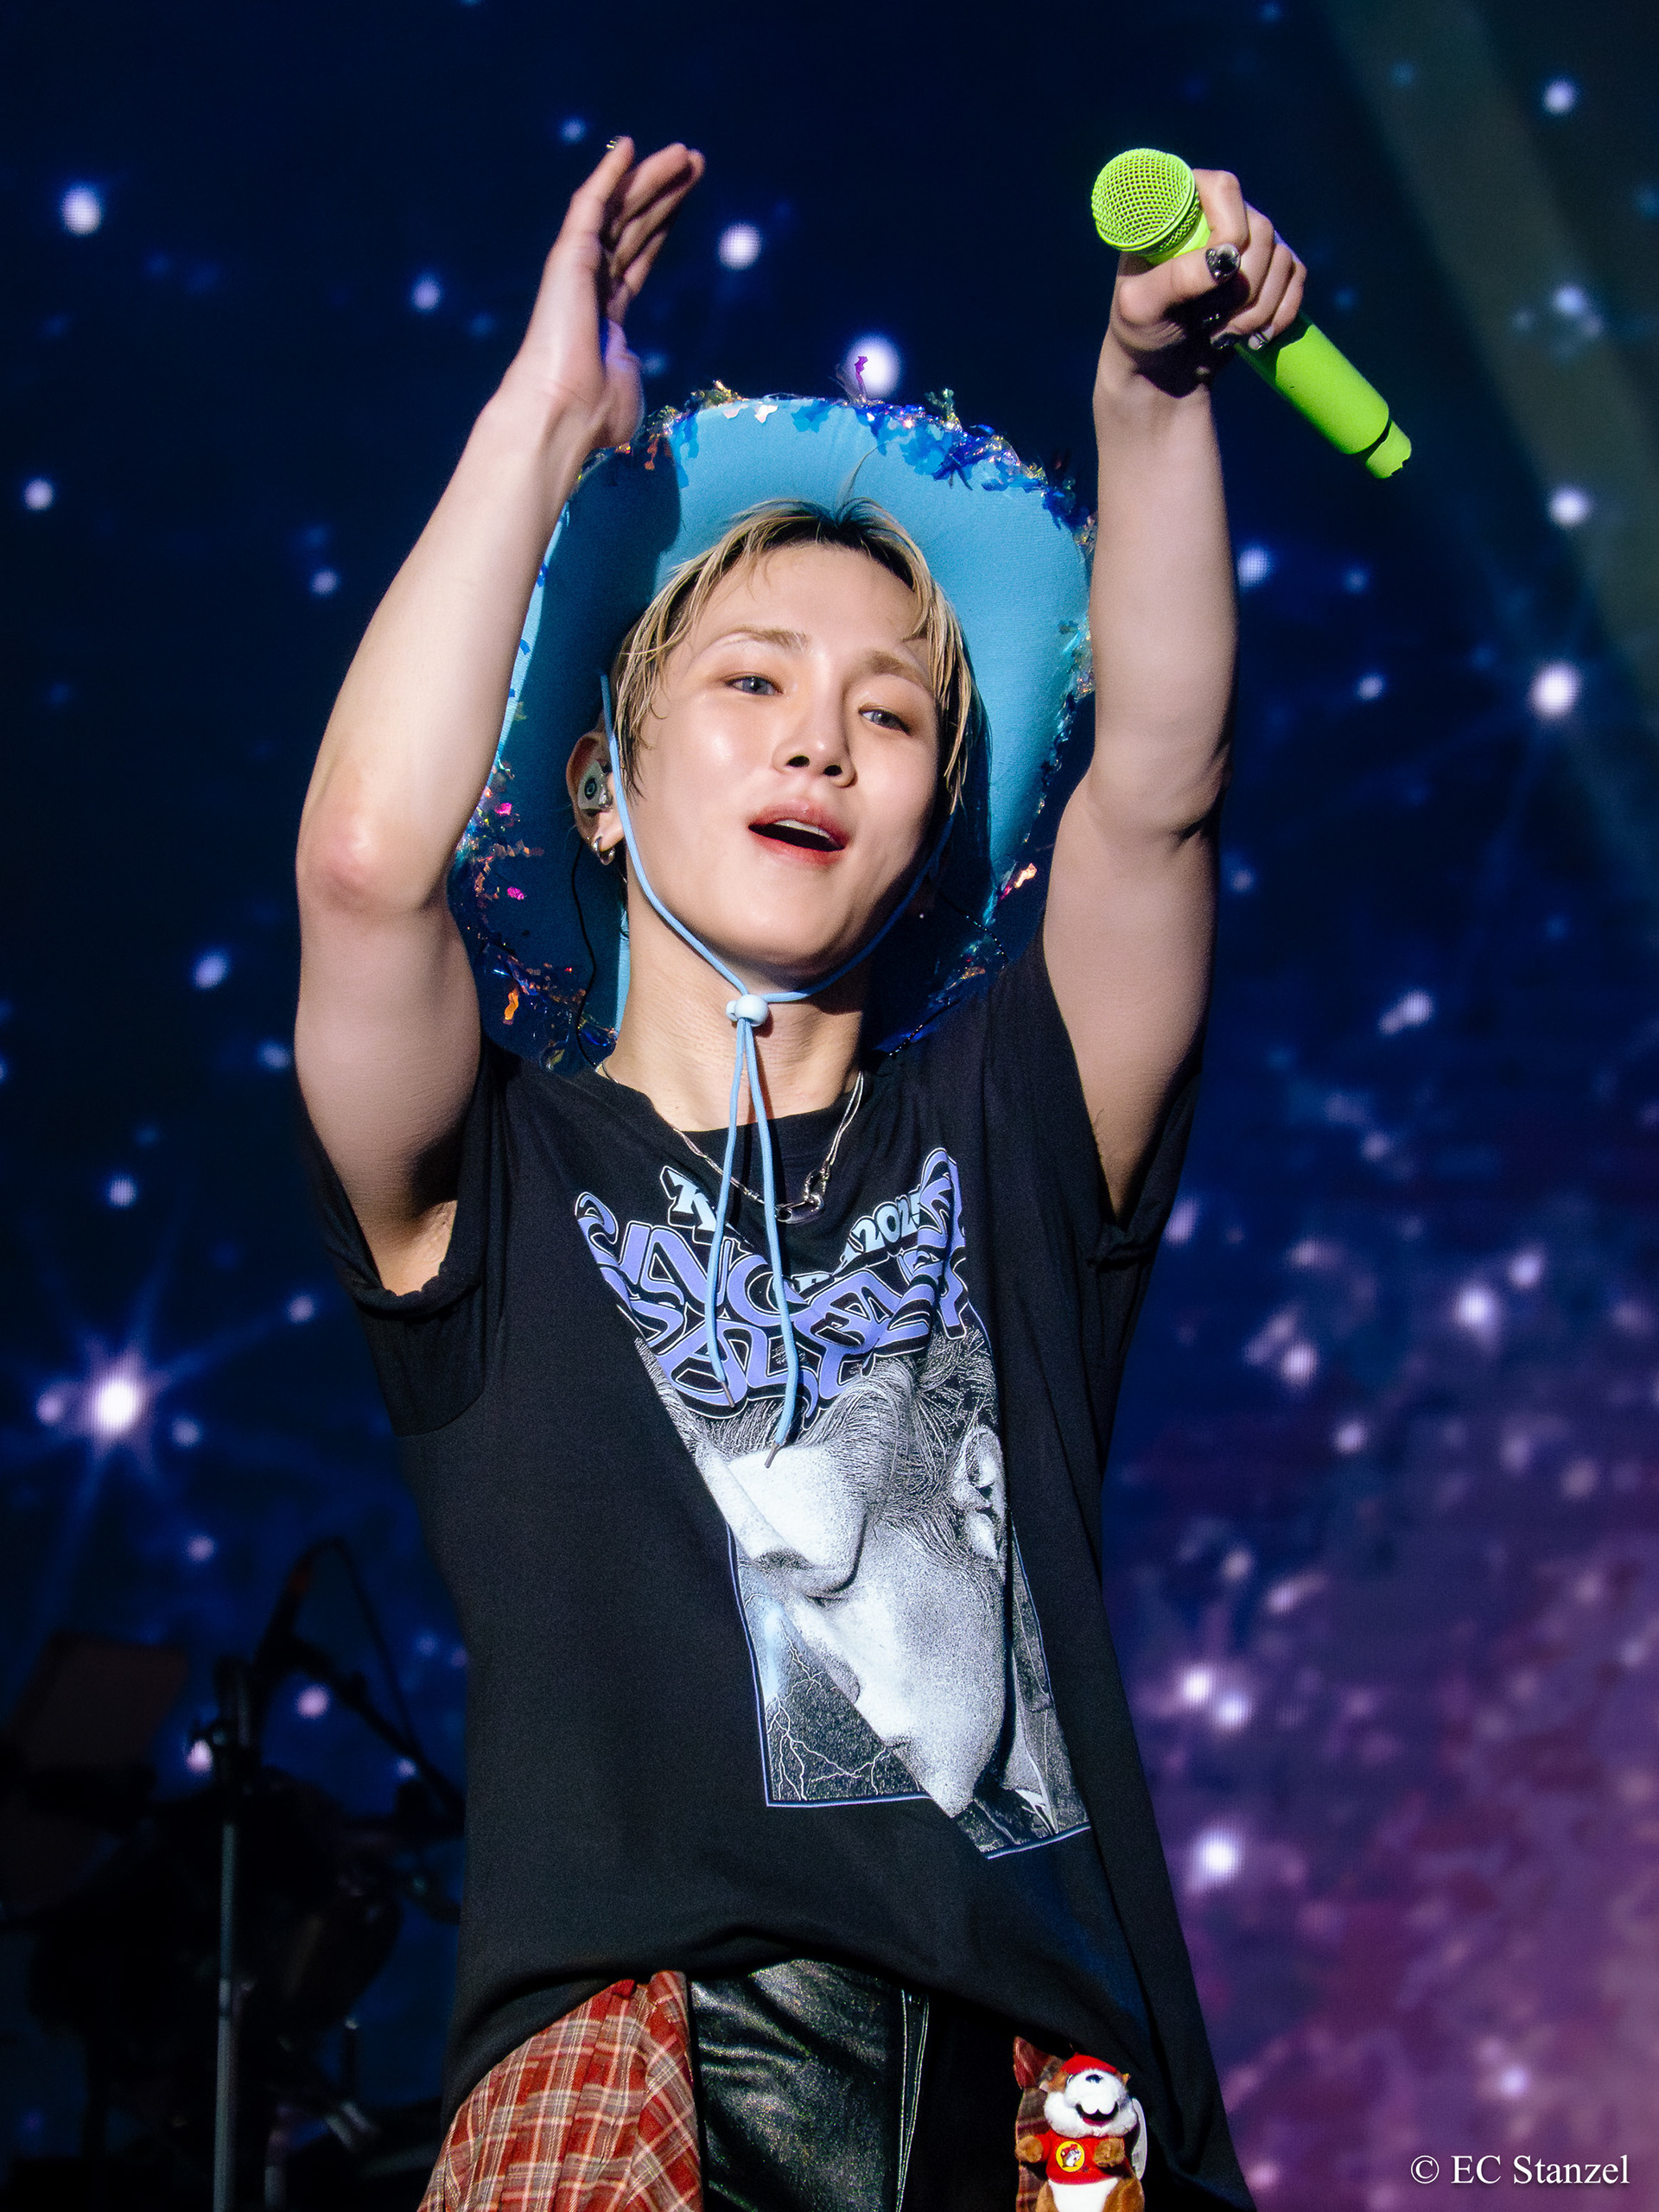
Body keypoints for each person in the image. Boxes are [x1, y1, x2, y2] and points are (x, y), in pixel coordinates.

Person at [295, 133, 1303, 2211]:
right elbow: (366, 869)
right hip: (643, 2082)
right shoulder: (500, 1181)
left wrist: (1152, 390)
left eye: (892, 713)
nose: (819, 740)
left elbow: (1160, 787)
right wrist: (543, 419)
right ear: (599, 782)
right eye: (748, 681)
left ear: (934, 834)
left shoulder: (1008, 1132)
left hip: (1056, 2121)